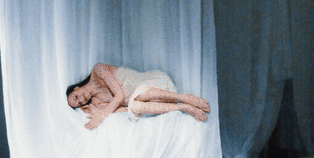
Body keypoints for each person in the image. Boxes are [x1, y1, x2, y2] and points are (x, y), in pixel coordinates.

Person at [63, 63, 210, 129]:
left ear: (76, 88)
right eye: (79, 103)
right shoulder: (98, 103)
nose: (81, 99)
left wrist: (101, 115)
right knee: (135, 105)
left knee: (139, 96)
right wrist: (98, 111)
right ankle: (184, 106)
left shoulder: (98, 71)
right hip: (149, 101)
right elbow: (125, 110)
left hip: (155, 84)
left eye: (76, 97)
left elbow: (119, 95)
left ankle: (185, 98)